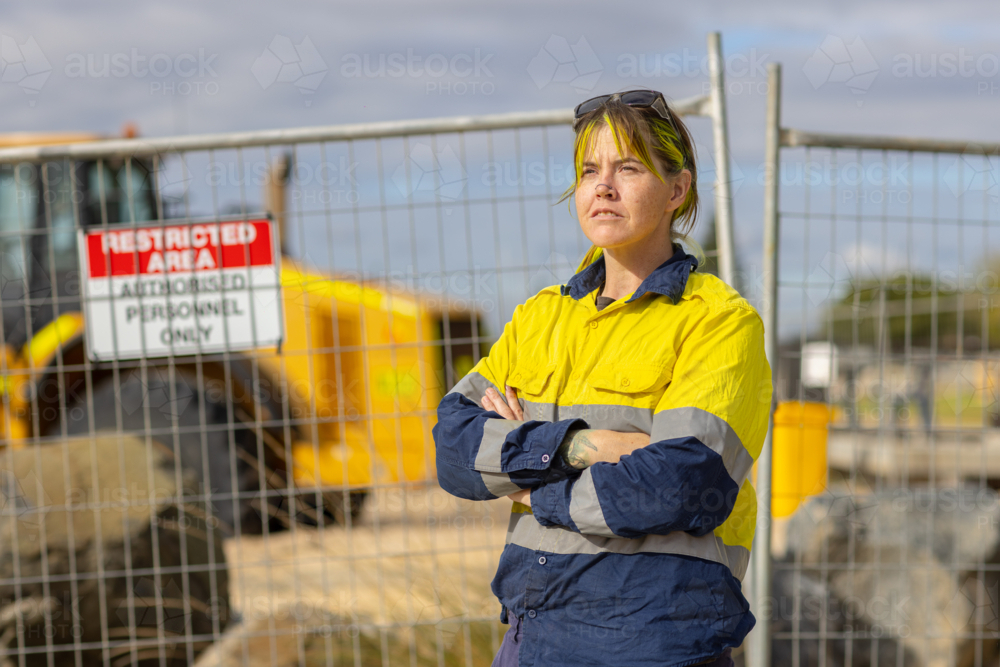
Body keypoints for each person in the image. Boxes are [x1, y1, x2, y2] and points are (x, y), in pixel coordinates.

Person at [433, 90, 772, 667]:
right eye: (590, 170)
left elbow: (681, 485)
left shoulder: (719, 324)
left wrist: (531, 485)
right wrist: (577, 446)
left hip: (653, 643)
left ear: (677, 189)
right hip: (531, 637)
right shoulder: (540, 317)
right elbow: (454, 447)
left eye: (629, 167)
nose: (603, 186)